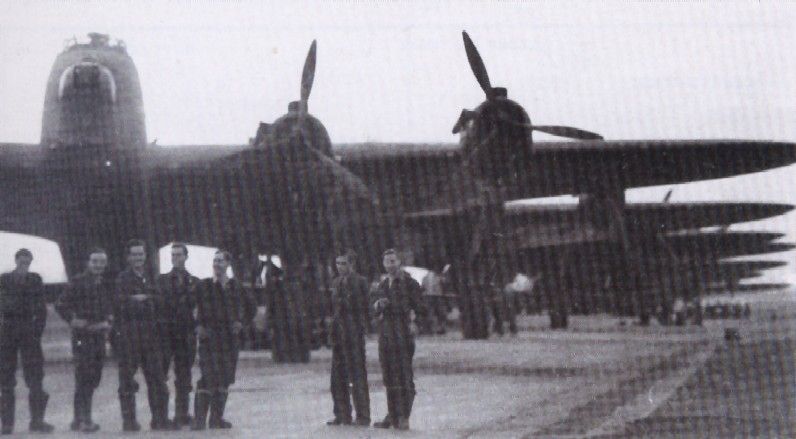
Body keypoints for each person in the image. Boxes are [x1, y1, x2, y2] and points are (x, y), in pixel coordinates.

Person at [191, 250, 256, 430]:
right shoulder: (203, 286)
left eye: (220, 261)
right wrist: (196, 325)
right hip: (209, 338)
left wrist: (241, 323)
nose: (217, 264)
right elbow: (187, 307)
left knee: (225, 377)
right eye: (215, 260)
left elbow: (252, 308)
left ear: (228, 264)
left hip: (229, 339)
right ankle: (199, 420)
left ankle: (216, 419)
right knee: (207, 377)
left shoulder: (237, 287)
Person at [114, 239, 174, 431]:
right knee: (127, 381)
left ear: (145, 256)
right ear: (128, 257)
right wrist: (140, 301)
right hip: (129, 337)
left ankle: (160, 419)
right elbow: (119, 304)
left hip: (151, 337)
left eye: (141, 254)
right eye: (134, 254)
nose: (138, 258)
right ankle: (129, 421)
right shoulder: (122, 279)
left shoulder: (151, 278)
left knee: (157, 380)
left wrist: (142, 299)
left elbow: (161, 301)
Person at [56, 247, 114, 433]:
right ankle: (85, 420)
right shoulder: (78, 282)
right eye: (95, 261)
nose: (98, 265)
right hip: (84, 337)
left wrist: (109, 320)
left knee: (93, 378)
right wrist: (72, 320)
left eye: (102, 262)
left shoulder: (104, 283)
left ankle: (76, 419)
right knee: (85, 378)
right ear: (88, 263)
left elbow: (109, 306)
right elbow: (60, 304)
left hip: (99, 336)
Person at [0, 249, 54, 434]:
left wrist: (37, 331)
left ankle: (37, 421)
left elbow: (41, 308)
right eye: (21, 261)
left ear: (30, 261)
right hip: (7, 332)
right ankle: (7, 424)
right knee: (6, 379)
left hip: (28, 332)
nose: (24, 264)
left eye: (27, 262)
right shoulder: (4, 279)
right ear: (16, 260)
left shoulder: (35, 279)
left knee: (36, 378)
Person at [372, 249, 427, 430]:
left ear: (399, 262)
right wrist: (378, 306)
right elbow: (372, 310)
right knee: (389, 377)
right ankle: (392, 415)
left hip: (402, 333)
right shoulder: (382, 285)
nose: (390, 265)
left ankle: (404, 416)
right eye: (387, 262)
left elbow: (421, 308)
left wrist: (415, 323)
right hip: (386, 335)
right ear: (383, 264)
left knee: (404, 376)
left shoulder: (410, 284)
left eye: (393, 261)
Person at [155, 243, 199, 427]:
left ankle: (182, 414)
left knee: (184, 376)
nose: (175, 258)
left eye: (178, 254)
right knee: (160, 374)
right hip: (166, 334)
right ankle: (161, 416)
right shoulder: (161, 280)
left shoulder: (195, 282)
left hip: (186, 334)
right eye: (172, 255)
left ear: (186, 256)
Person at [326, 251, 370, 427]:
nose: (339, 267)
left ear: (352, 264)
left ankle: (363, 415)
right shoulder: (336, 282)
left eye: (343, 263)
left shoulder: (360, 282)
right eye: (337, 263)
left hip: (353, 333)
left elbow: (363, 307)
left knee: (357, 376)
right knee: (337, 377)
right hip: (338, 334)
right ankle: (342, 414)